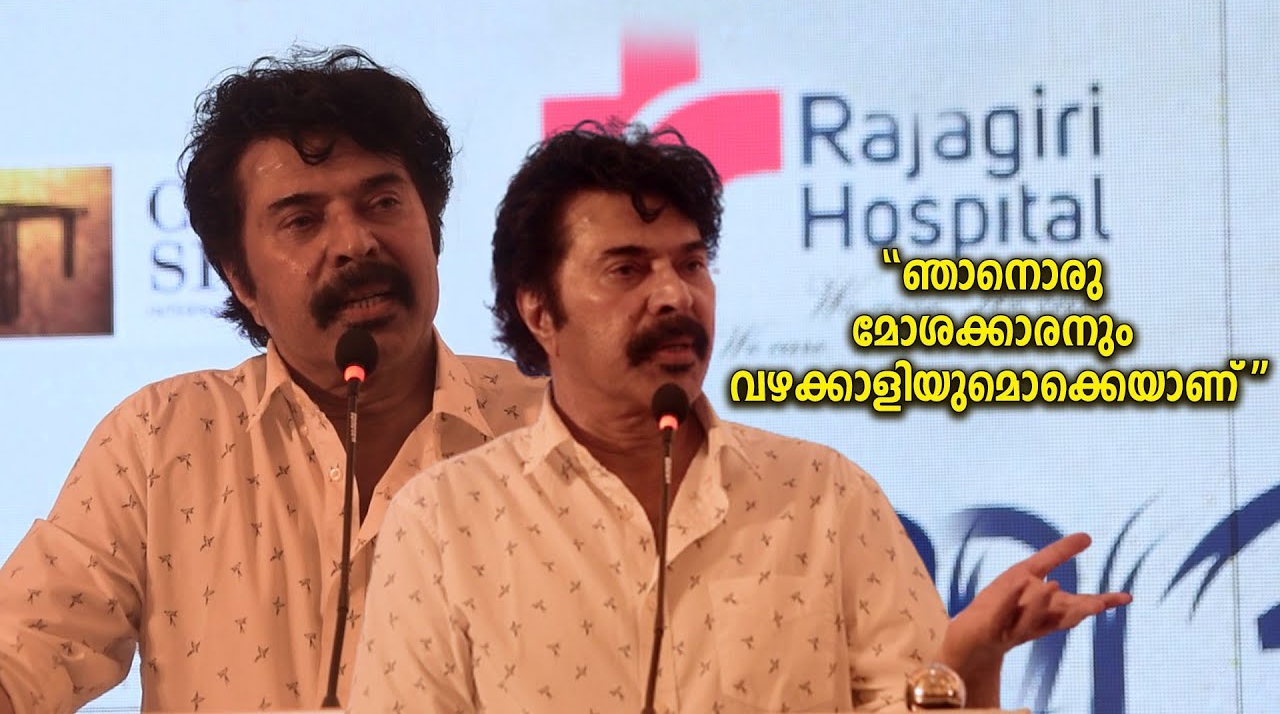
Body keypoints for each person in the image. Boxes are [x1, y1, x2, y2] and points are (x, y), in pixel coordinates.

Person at [347, 121, 1131, 713]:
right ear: (539, 311)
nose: (674, 295)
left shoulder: (825, 495)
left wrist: (969, 662)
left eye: (691, 263)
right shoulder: (444, 523)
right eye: (627, 269)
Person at [0, 48, 544, 713]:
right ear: (241, 281)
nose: (355, 242)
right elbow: (26, 646)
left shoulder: (551, 432)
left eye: (383, 202)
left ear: (432, 230)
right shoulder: (159, 440)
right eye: (302, 221)